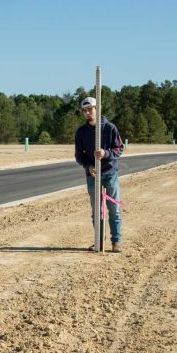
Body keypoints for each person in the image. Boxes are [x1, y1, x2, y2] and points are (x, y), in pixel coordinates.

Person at [74, 96, 124, 252]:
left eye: (90, 109)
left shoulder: (110, 128)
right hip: (92, 175)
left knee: (114, 209)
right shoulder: (81, 132)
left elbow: (119, 148)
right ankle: (99, 241)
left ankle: (116, 242)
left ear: (97, 108)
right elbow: (78, 154)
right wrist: (88, 166)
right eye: (85, 110)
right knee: (97, 210)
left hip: (110, 173)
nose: (88, 113)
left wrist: (106, 153)